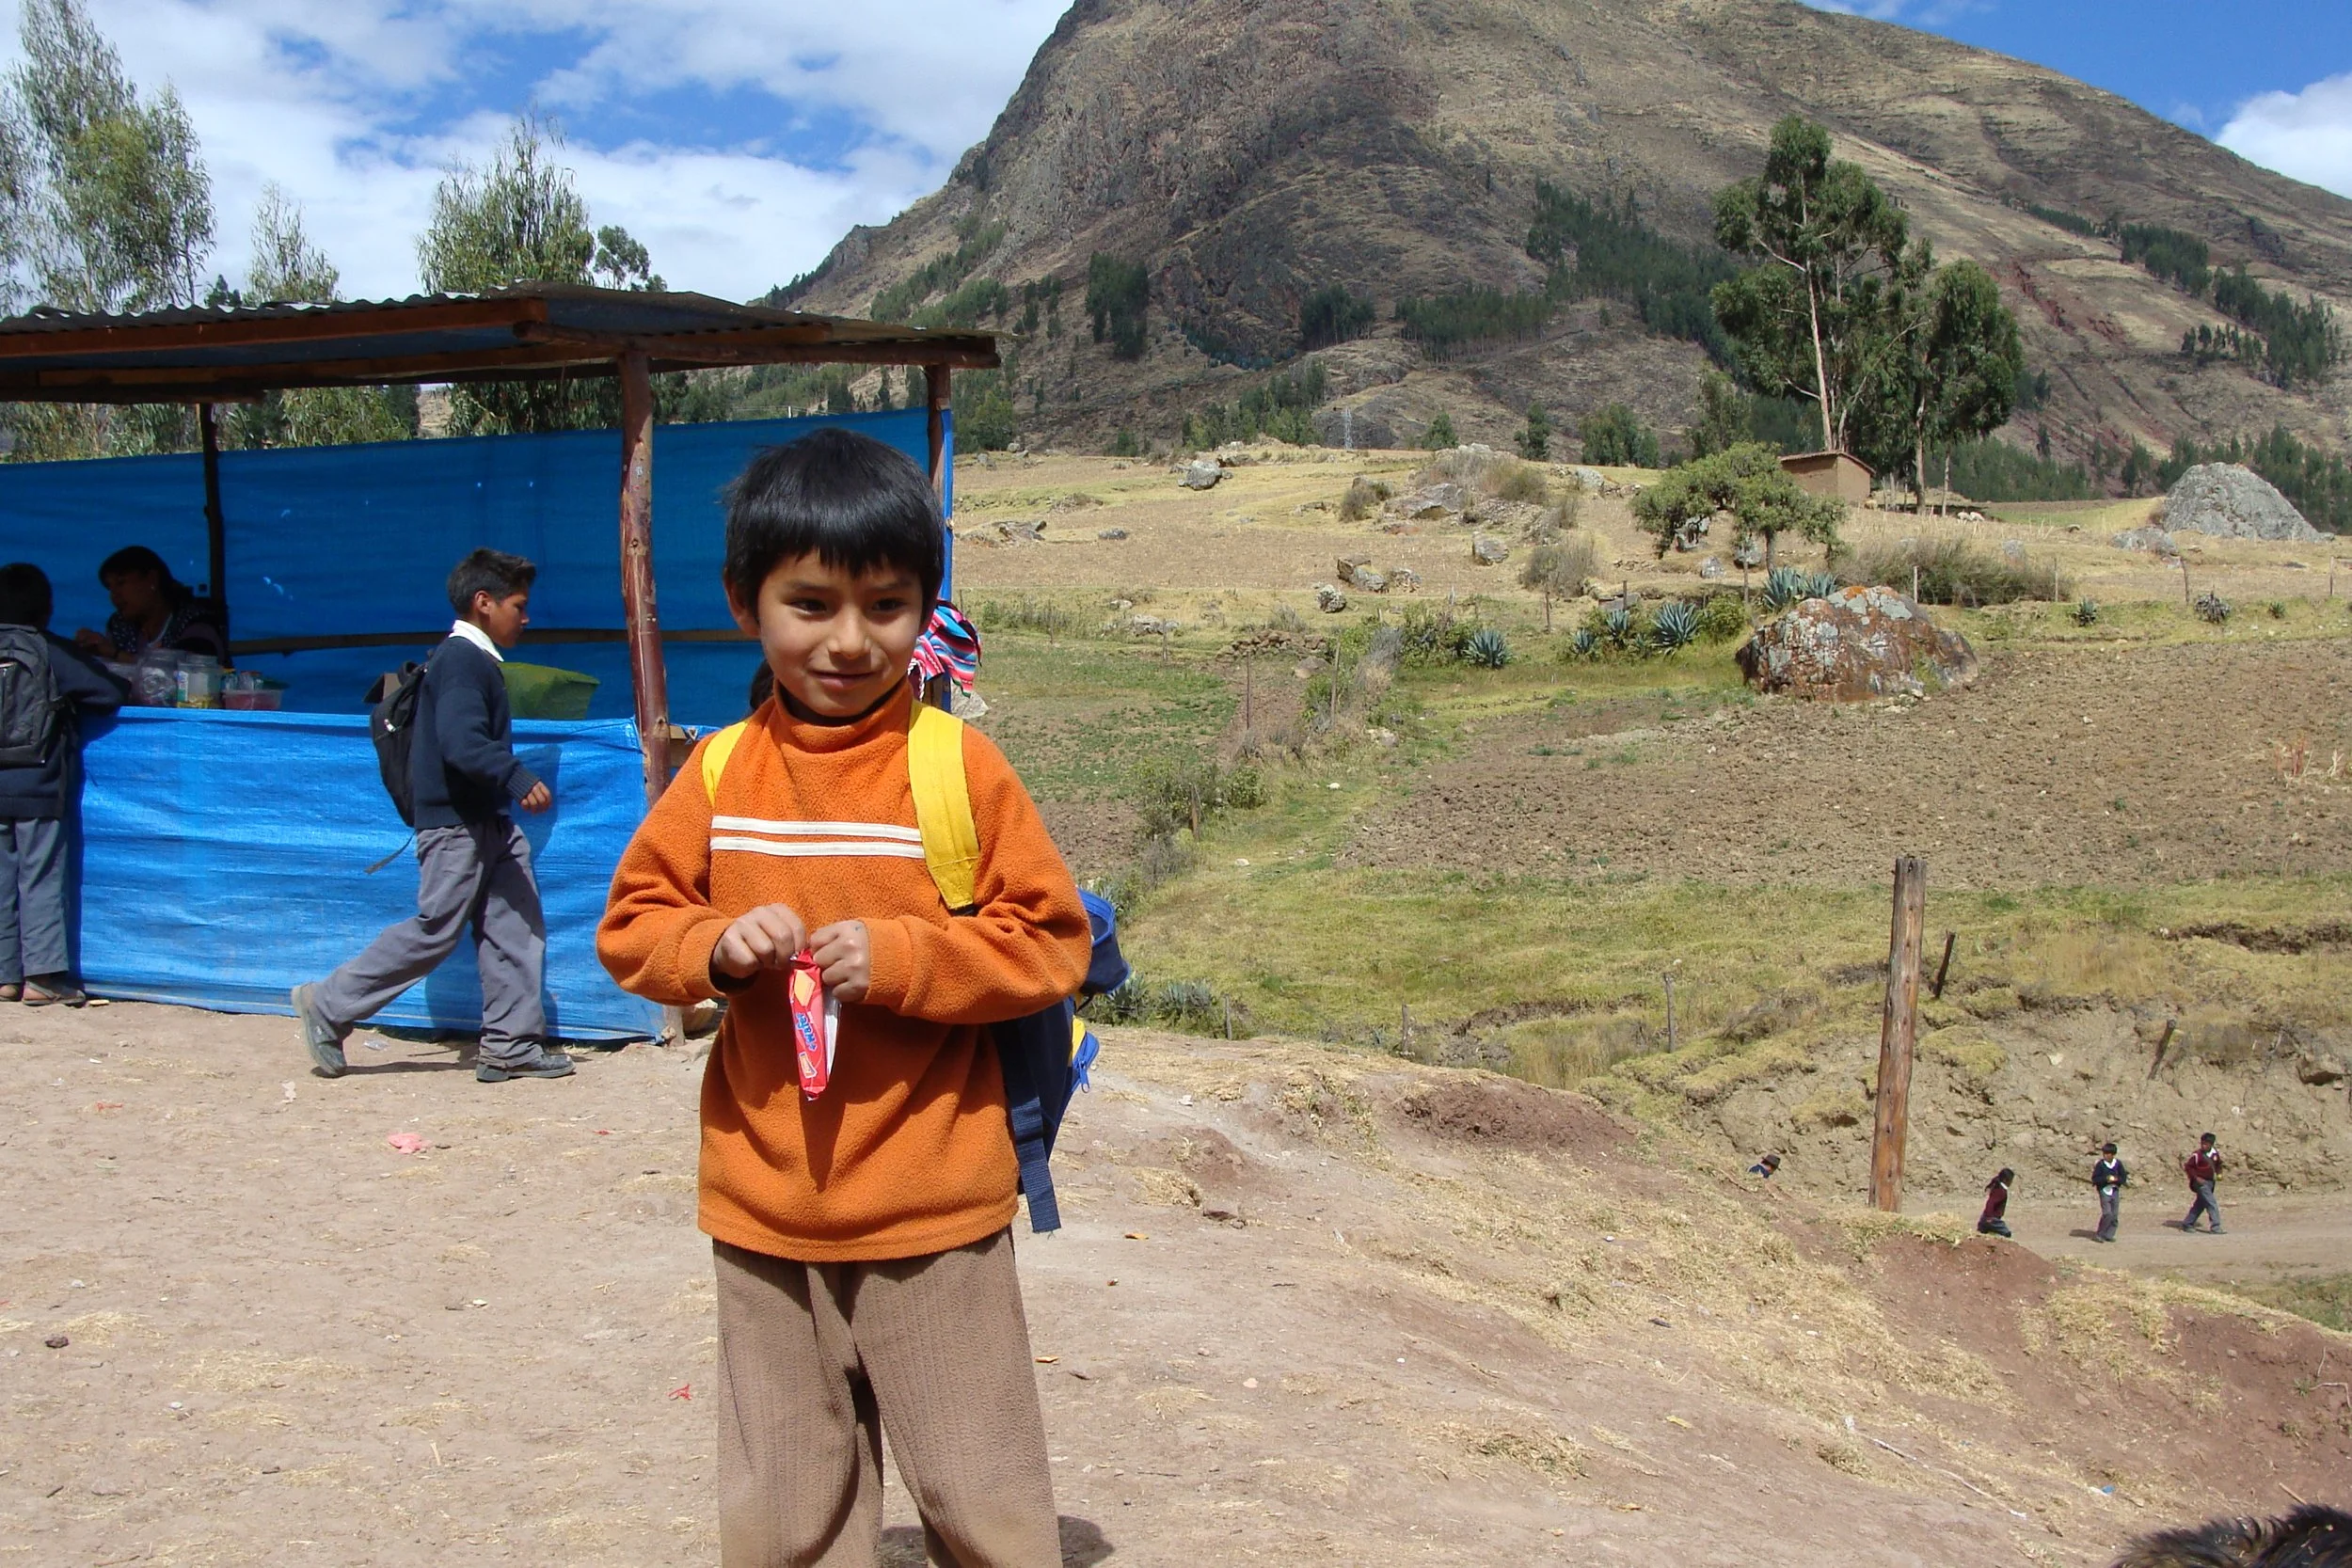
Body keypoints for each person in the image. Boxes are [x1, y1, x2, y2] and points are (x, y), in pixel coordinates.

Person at [597, 428, 1091, 1566]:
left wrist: (913, 958)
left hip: (934, 1215)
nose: (850, 639)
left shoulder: (957, 770)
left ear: (927, 609)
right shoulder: (716, 773)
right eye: (811, 604)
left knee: (981, 1495)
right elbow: (633, 927)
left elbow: (1049, 938)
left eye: (887, 604)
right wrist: (717, 945)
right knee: (785, 1510)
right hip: (763, 1212)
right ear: (744, 604)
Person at [292, 548, 569, 1084]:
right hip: (457, 824)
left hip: (485, 819)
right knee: (435, 930)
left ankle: (510, 1046)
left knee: (515, 926)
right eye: (518, 604)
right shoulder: (463, 661)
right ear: (483, 603)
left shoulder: (473, 660)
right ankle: (327, 1004)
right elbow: (462, 744)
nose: (526, 617)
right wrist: (516, 776)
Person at [0, 563, 125, 1006]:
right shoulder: (47, 649)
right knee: (39, 876)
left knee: (1, 878)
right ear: (46, 609)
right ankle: (43, 979)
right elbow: (109, 693)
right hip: (39, 780)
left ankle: (4, 977)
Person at [72, 545, 228, 663]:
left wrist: (115, 654)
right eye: (110, 588)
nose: (114, 595)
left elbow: (185, 676)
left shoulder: (196, 621)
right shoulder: (120, 625)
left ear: (152, 579)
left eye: (121, 583)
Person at [2182, 1132, 2224, 1234]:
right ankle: (2215, 1227)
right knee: (2211, 1203)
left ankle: (2188, 1223)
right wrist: (2196, 1178)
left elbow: (2218, 1165)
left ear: (2211, 1144)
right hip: (2201, 1183)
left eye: (2206, 1144)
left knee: (2200, 1204)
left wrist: (2219, 1174)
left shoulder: (2215, 1154)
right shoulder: (2197, 1155)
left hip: (2210, 1182)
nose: (2203, 1146)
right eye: (2202, 1143)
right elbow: (2188, 1167)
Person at [2091, 1142, 2129, 1242]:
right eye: (2105, 1153)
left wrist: (2116, 1179)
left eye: (2108, 1154)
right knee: (2107, 1213)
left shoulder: (2118, 1164)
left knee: (2114, 1214)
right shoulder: (2100, 1165)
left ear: (2113, 1155)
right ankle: (2100, 1234)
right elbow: (2095, 1179)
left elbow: (2123, 1177)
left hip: (2114, 1190)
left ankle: (2109, 1234)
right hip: (2104, 1191)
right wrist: (2106, 1179)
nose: (2106, 1156)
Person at [1978, 1168, 2015, 1238]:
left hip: (1986, 1218)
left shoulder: (1998, 1188)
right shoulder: (2001, 1191)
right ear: (2005, 1180)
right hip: (1991, 1219)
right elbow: (1990, 1203)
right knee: (2005, 1231)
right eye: (2011, 1180)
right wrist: (1989, 1217)